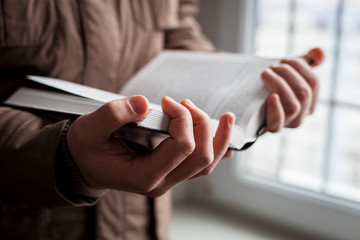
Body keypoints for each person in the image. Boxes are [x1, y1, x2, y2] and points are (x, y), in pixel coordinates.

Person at [0, 0, 324, 239]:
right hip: (28, 221)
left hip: (142, 223)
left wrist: (246, 89)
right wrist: (63, 158)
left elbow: (176, 32)